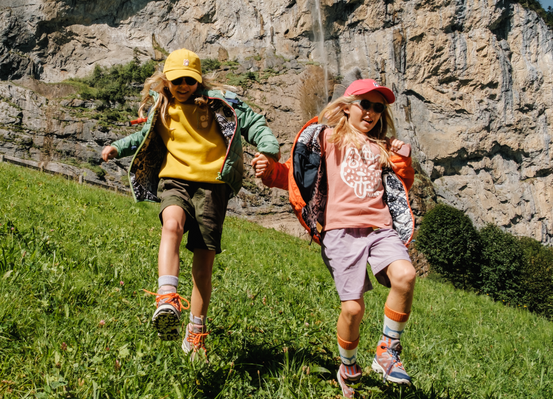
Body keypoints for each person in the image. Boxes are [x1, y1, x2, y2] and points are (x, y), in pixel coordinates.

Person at [101, 48, 280, 358]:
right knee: (171, 225)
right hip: (175, 179)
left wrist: (268, 149)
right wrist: (118, 146)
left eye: (189, 80)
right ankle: (167, 297)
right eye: (176, 80)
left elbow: (253, 122)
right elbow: (143, 134)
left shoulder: (219, 101)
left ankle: (195, 331)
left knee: (203, 261)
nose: (183, 86)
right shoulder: (162, 106)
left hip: (213, 186)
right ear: (165, 81)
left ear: (199, 80)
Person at [254, 78, 416, 397]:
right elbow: (298, 173)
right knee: (353, 310)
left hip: (380, 229)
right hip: (340, 233)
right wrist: (271, 172)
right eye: (364, 104)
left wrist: (404, 161)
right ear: (347, 107)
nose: (370, 112)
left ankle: (387, 352)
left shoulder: (383, 147)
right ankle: (348, 366)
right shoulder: (328, 138)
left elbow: (401, 189)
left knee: (406, 276)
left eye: (378, 107)